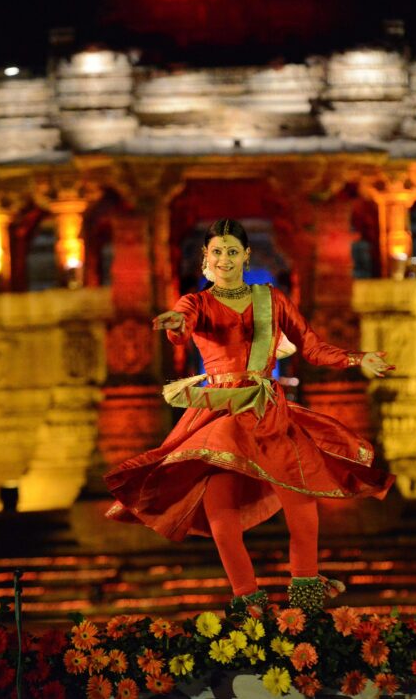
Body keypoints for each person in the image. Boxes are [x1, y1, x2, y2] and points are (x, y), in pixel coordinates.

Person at [105, 218, 395, 613]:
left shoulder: (271, 300)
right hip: (222, 411)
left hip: (268, 409)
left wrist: (358, 359)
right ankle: (248, 601)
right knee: (220, 512)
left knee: (302, 503)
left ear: (246, 255)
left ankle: (307, 599)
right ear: (206, 257)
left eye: (232, 251)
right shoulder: (198, 302)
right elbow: (183, 320)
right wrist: (176, 325)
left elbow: (311, 347)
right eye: (217, 252)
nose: (224, 259)